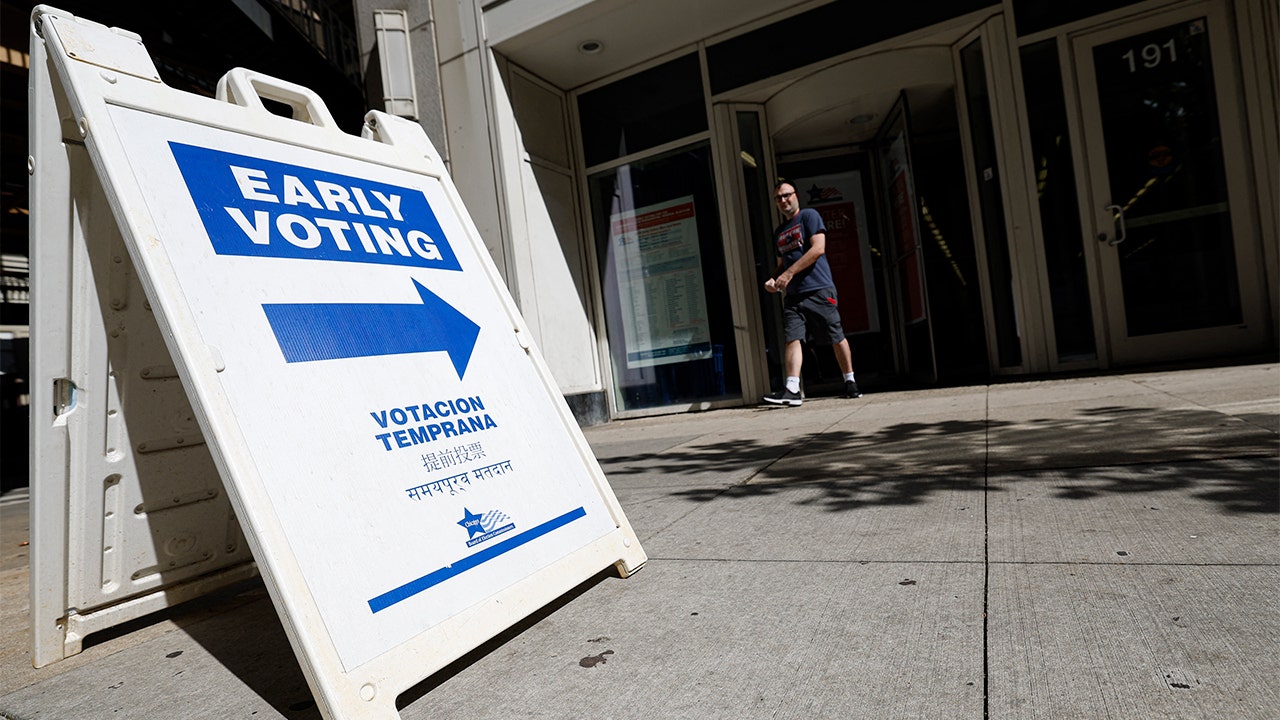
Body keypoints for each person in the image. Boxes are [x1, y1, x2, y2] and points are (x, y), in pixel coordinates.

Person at [762, 180, 861, 406]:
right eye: (778, 198)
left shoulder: (809, 216)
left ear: (796, 195)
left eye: (786, 195)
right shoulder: (780, 231)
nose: (783, 200)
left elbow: (818, 249)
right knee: (792, 338)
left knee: (835, 334)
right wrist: (774, 278)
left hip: (818, 287)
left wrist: (788, 274)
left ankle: (850, 381)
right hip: (794, 294)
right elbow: (781, 263)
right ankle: (793, 389)